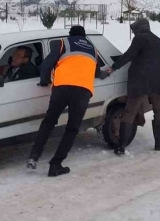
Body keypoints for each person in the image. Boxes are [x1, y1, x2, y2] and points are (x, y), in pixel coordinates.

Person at [27, 25, 108, 177]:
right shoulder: (93, 49)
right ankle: (55, 165)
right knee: (72, 128)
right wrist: (104, 74)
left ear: (70, 35)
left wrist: (44, 80)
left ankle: (34, 157)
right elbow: (96, 72)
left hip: (62, 88)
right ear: (84, 37)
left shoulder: (63, 43)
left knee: (49, 122)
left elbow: (46, 64)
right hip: (82, 92)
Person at [106, 18, 160, 155]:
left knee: (130, 112)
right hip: (156, 81)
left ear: (139, 29)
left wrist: (114, 67)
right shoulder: (159, 41)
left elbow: (129, 55)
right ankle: (158, 142)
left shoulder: (139, 39)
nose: (134, 33)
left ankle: (121, 147)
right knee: (158, 110)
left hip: (139, 81)